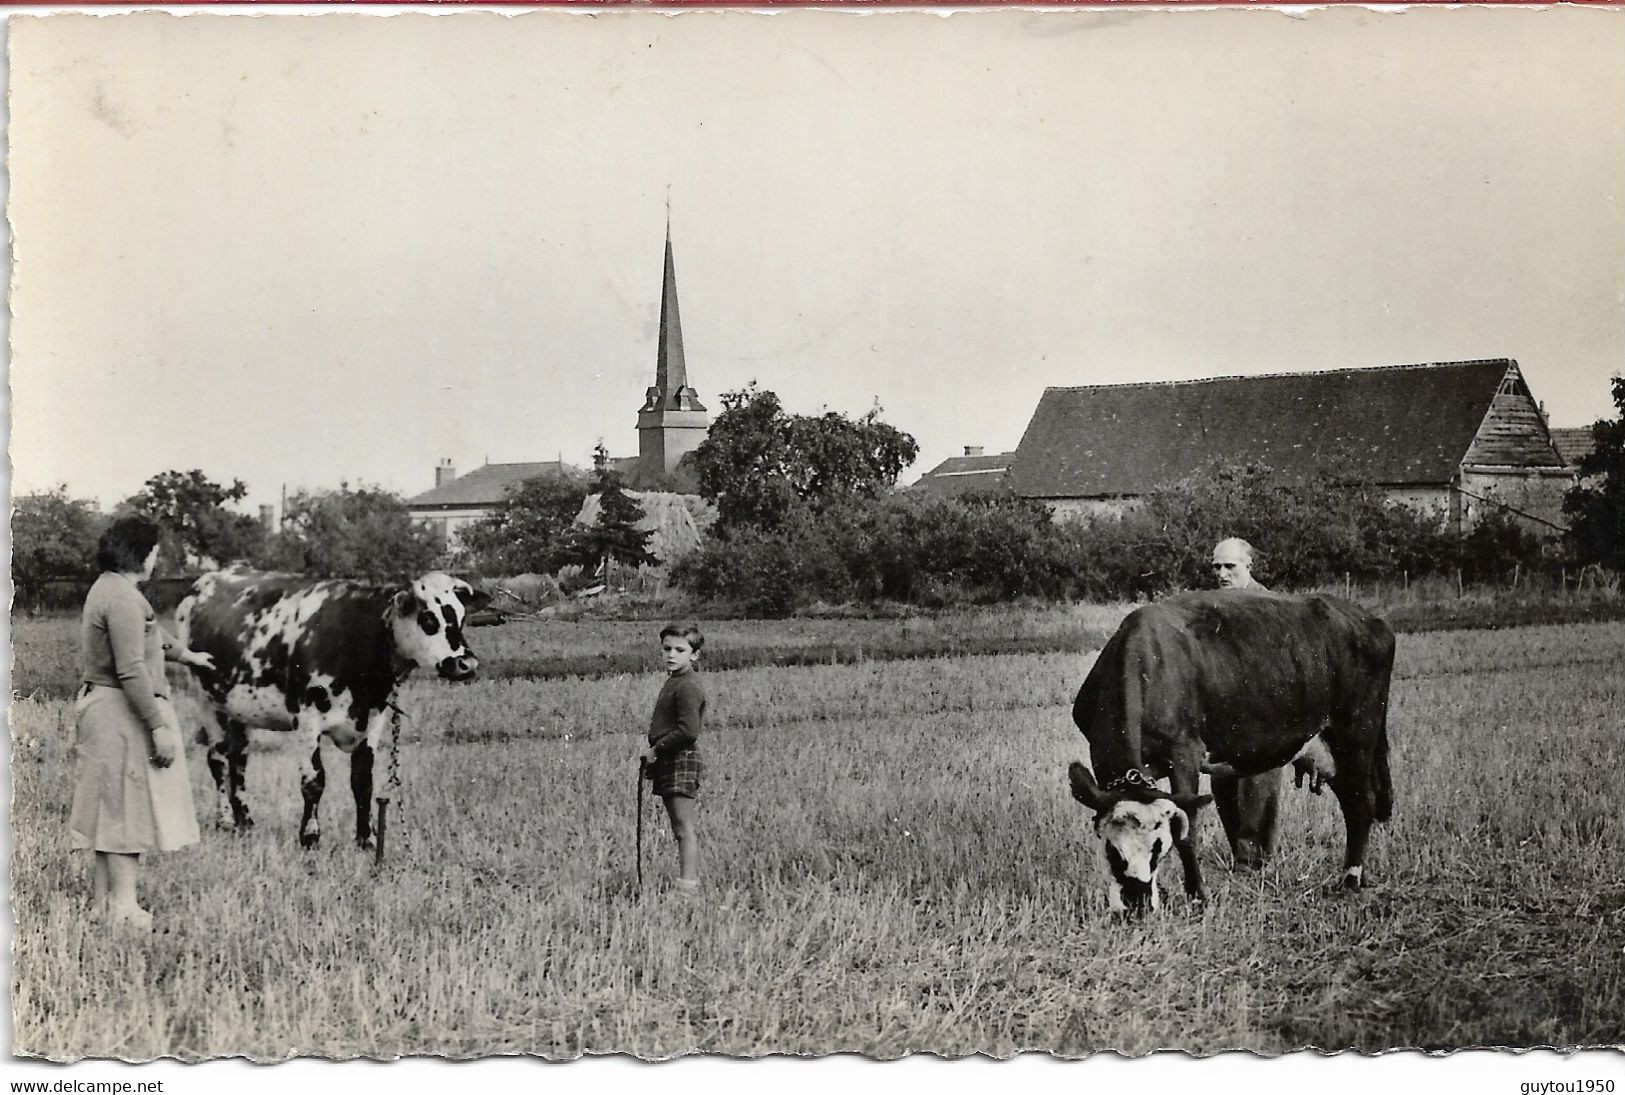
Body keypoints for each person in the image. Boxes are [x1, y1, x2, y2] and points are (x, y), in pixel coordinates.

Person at [69, 516, 214, 929]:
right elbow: (132, 667)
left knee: (109, 809)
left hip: (106, 707)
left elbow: (152, 636)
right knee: (127, 812)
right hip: (121, 711)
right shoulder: (122, 599)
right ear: (141, 553)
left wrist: (188, 656)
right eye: (153, 550)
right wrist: (157, 725)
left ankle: (102, 904)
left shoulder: (113, 589)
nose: (156, 558)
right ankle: (125, 908)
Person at [1208, 536, 1286, 870]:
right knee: (1222, 783)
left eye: (1230, 566)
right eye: (1216, 567)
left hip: (1262, 715)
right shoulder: (1210, 608)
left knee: (1256, 785)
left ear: (1248, 566)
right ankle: (1241, 854)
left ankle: (1253, 863)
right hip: (1223, 714)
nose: (1222, 574)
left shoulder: (1271, 606)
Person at [639, 622, 707, 895]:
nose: (671, 655)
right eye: (667, 648)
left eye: (680, 650)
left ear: (694, 655)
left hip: (680, 758)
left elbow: (688, 731)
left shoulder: (687, 686)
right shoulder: (676, 681)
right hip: (671, 757)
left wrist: (657, 749)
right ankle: (686, 886)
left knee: (683, 827)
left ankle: (687, 889)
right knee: (679, 826)